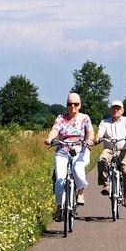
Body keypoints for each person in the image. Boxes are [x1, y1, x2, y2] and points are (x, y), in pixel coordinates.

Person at [43, 93, 94, 221]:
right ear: (66, 105)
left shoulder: (85, 118)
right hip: (63, 151)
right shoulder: (61, 118)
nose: (73, 106)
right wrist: (50, 138)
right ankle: (59, 208)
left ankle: (80, 192)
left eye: (75, 104)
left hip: (80, 150)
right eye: (70, 104)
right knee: (60, 180)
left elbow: (90, 132)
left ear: (80, 105)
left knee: (77, 169)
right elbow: (55, 129)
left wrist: (89, 140)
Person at [95, 100, 126, 209]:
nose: (116, 110)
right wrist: (97, 139)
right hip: (109, 149)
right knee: (102, 160)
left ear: (122, 110)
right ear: (110, 110)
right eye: (114, 108)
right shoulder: (105, 122)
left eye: (118, 108)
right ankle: (106, 184)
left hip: (124, 150)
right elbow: (99, 133)